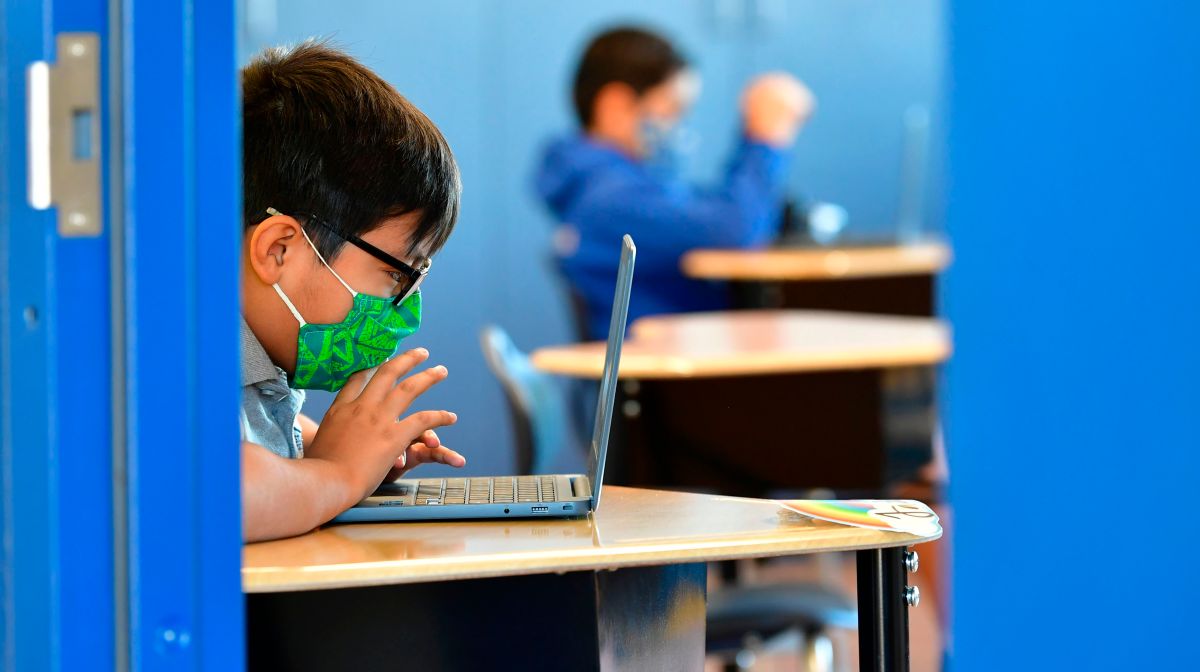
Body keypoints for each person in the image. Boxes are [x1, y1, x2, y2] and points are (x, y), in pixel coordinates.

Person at [239, 42, 466, 541]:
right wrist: (339, 475)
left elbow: (270, 445)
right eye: (395, 275)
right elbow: (213, 489)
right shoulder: (174, 349)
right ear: (279, 250)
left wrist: (357, 452)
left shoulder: (262, 363)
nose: (403, 311)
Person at [535, 27, 815, 339]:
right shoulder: (610, 197)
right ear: (615, 105)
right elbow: (734, 229)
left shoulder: (604, 185)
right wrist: (766, 138)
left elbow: (711, 211)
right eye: (672, 109)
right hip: (668, 378)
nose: (678, 127)